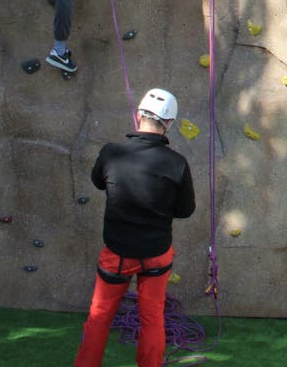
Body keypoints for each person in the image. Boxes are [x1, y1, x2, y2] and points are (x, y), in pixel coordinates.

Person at [74, 88, 196, 367]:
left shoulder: (111, 153)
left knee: (99, 316)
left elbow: (98, 182)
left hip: (117, 252)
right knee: (152, 317)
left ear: (139, 115)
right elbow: (186, 210)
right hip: (156, 252)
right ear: (169, 124)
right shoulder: (177, 163)